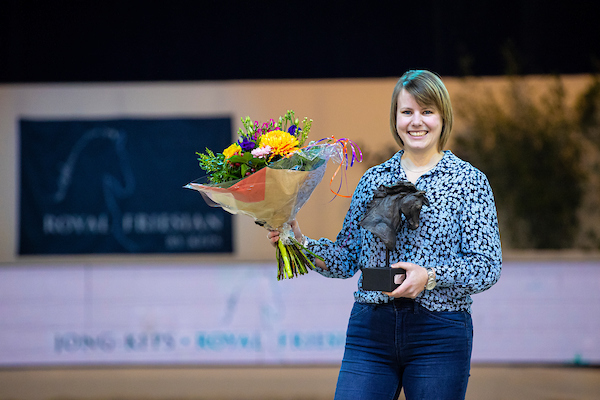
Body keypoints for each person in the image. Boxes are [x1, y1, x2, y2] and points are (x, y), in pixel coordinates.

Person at [267, 70, 502, 400]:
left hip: (440, 330)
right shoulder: (373, 180)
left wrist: (430, 277)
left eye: (427, 111)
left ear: (443, 118)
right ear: (395, 118)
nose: (416, 122)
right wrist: (300, 242)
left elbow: (486, 267)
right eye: (407, 112)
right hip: (370, 329)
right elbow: (346, 258)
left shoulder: (469, 182)